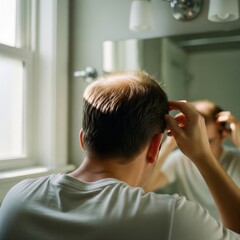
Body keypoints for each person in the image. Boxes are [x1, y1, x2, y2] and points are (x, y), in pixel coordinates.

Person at [0, 71, 239, 240]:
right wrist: (204, 158)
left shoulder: (18, 199)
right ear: (155, 146)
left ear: (83, 139)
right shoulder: (172, 218)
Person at [145, 99, 240, 221]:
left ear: (223, 135)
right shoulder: (180, 160)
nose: (202, 146)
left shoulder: (236, 159)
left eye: (209, 141)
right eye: (198, 138)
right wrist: (169, 145)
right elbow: (146, 186)